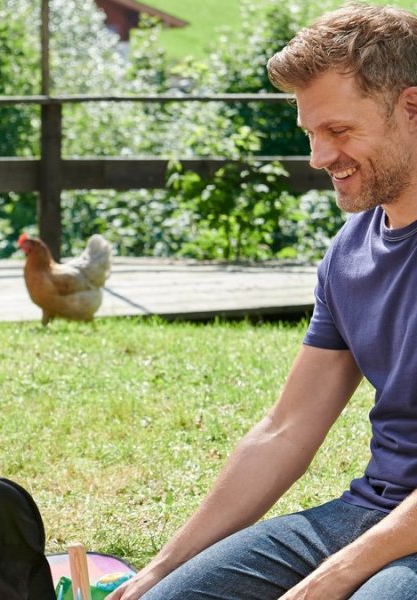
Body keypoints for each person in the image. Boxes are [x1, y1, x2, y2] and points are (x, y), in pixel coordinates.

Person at [109, 3, 417, 599]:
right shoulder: (350, 252)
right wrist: (161, 568)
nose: (318, 157)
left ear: (412, 107)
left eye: (339, 131)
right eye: (311, 134)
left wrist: (337, 575)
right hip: (372, 512)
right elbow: (286, 429)